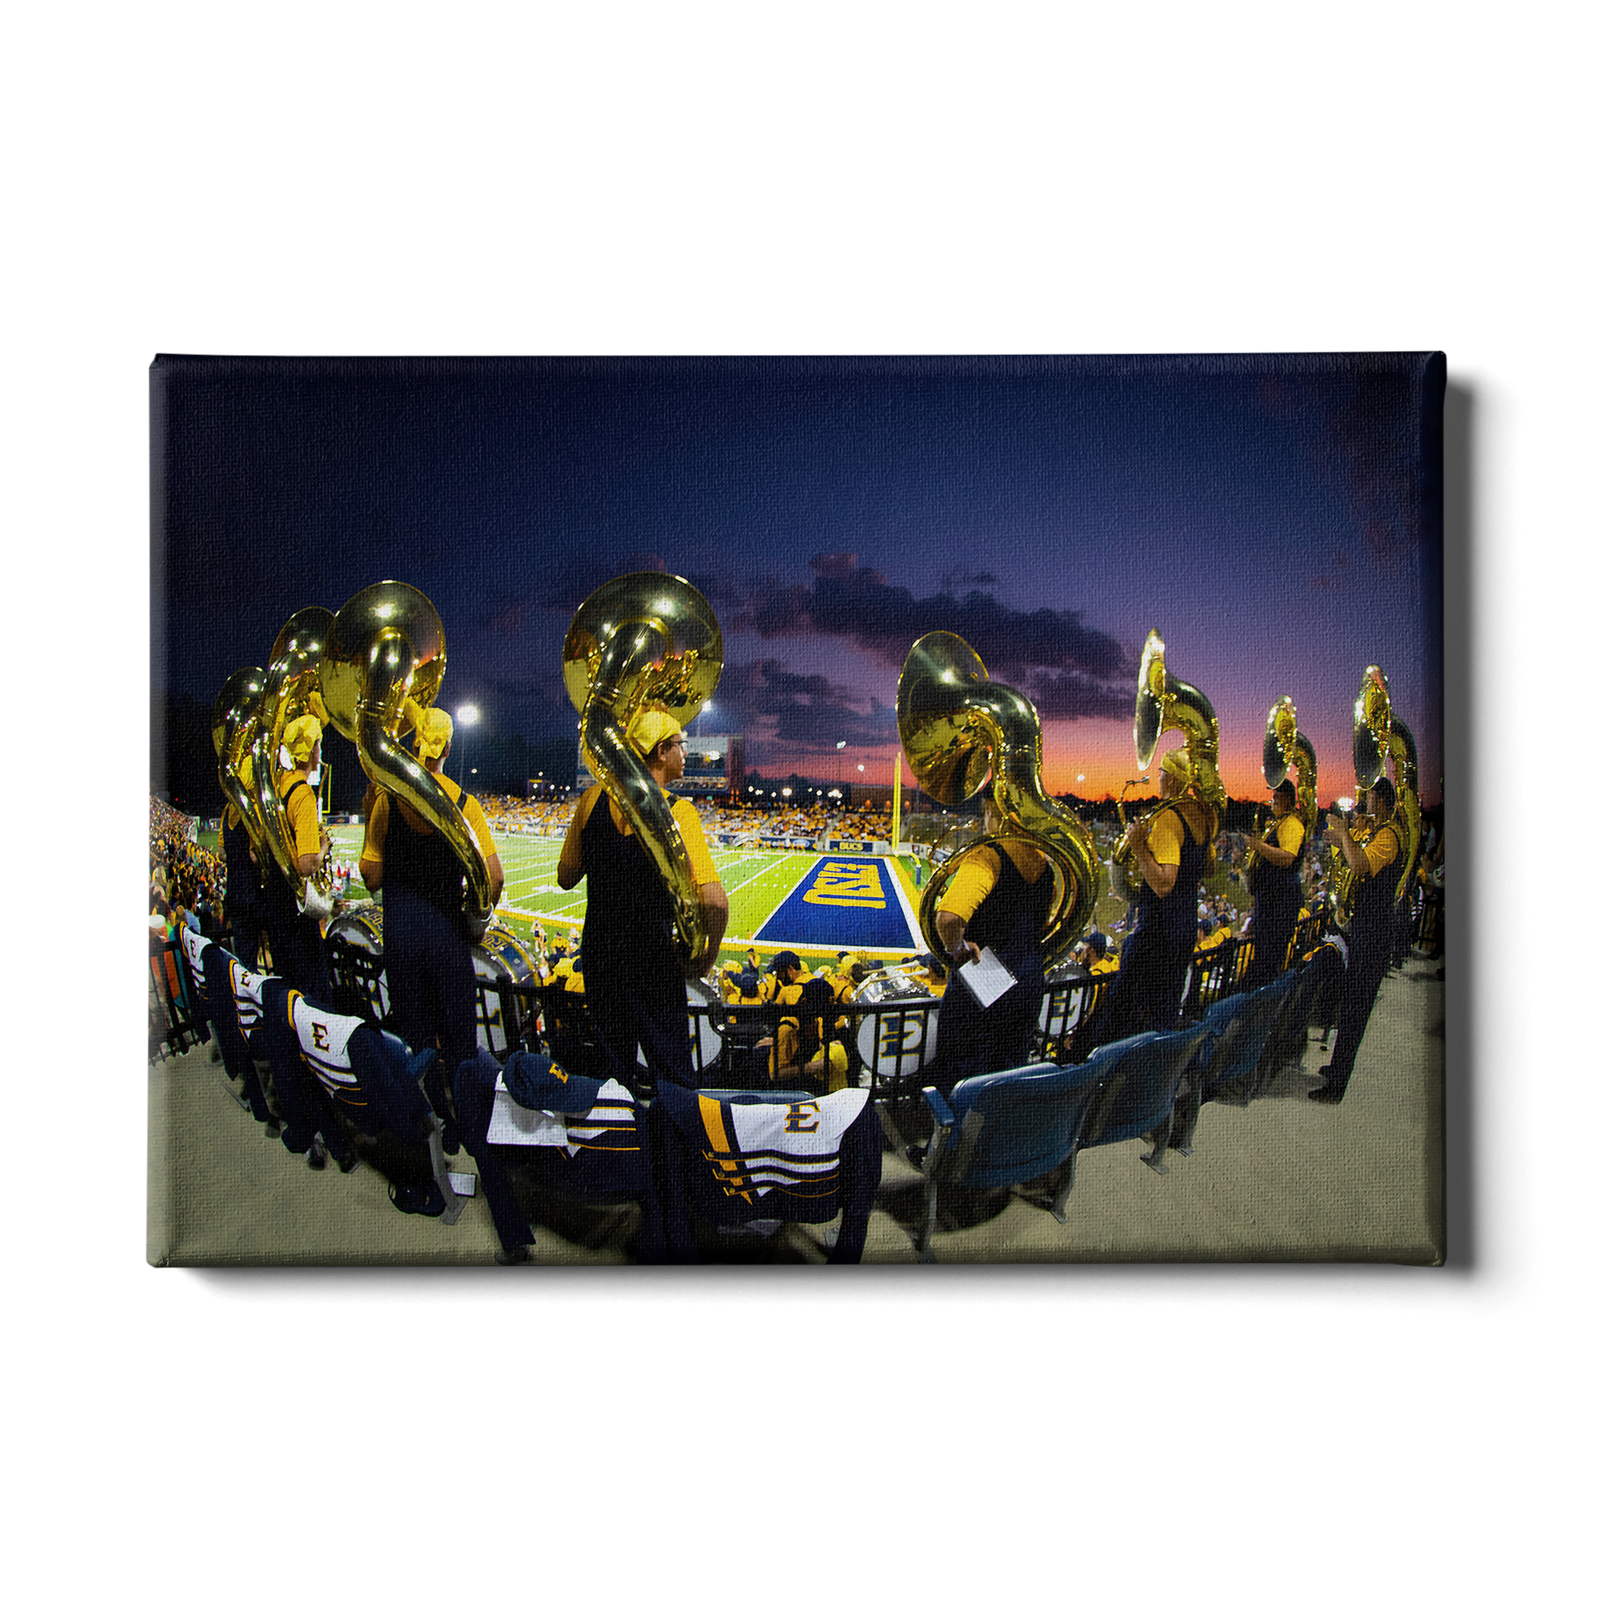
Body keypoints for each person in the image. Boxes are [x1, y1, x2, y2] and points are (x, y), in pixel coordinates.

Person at [556, 708, 728, 1094]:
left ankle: (615, 1131)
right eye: (681, 744)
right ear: (661, 751)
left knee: (611, 1077)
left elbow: (565, 877)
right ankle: (674, 1135)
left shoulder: (590, 799)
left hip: (600, 955)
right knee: (674, 1078)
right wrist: (707, 954)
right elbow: (715, 902)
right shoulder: (679, 811)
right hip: (654, 959)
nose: (686, 752)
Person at [360, 706, 505, 1128]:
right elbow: (494, 877)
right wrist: (474, 921)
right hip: (448, 937)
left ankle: (429, 1126)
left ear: (414, 742)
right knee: (461, 1045)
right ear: (449, 747)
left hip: (401, 939)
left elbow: (371, 877)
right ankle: (470, 1126)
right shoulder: (465, 803)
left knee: (416, 1042)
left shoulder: (388, 799)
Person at [1075, 748, 1217, 1055]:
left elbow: (1164, 884)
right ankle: (1153, 1072)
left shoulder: (1168, 817)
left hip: (1157, 933)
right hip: (1184, 929)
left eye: (1161, 772)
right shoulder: (1201, 817)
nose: (1158, 778)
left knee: (1120, 1012)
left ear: (1173, 778)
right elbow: (1209, 867)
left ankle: (1103, 1073)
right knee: (1162, 1012)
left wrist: (1139, 846)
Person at [926, 792, 1053, 1101]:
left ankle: (954, 1134)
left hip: (982, 984)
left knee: (962, 1080)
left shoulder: (988, 855)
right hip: (1028, 984)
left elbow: (948, 918)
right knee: (1008, 1079)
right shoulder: (1044, 862)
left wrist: (958, 950)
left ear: (993, 811)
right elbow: (1041, 923)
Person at [1316, 777, 1405, 1104]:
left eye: (1369, 796)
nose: (1365, 800)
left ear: (1380, 800)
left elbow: (1360, 864)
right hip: (1366, 927)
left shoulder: (1390, 835)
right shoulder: (1378, 830)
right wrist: (1340, 838)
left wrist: (1344, 836)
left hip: (1375, 932)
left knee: (1355, 1008)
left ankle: (1336, 1086)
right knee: (1351, 1001)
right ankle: (1336, 1067)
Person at [262, 712, 336, 1006]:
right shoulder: (303, 794)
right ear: (312, 750)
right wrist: (323, 848)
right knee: (311, 998)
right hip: (296, 911)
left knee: (287, 994)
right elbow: (306, 864)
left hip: (276, 903)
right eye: (318, 743)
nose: (320, 750)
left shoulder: (279, 785)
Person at [1240, 779, 1306, 990]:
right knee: (1263, 954)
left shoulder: (1292, 824)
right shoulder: (1280, 822)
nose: (1273, 800)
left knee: (1269, 957)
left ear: (1288, 799)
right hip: (1271, 902)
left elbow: (1287, 858)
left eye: (1277, 796)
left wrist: (1258, 846)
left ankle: (1263, 999)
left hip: (1280, 903)